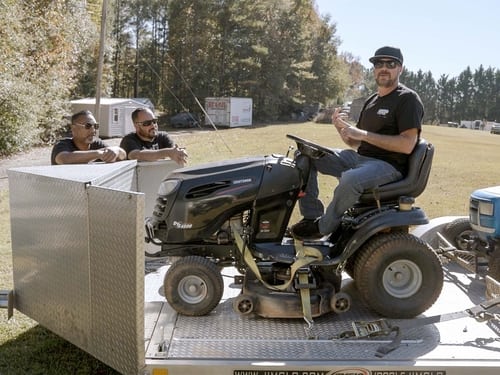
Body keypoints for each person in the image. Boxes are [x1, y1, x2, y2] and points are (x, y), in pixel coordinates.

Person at [291, 46, 424, 241]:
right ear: (374, 68)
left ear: (401, 69)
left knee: (350, 180)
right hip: (358, 158)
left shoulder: (408, 99)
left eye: (391, 64)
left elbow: (407, 145)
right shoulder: (372, 100)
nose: (384, 68)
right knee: (305, 154)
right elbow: (355, 142)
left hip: (388, 166)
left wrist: (363, 133)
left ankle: (323, 227)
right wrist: (340, 127)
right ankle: (311, 216)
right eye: (379, 64)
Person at [51, 110, 126, 165]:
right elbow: (64, 159)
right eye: (88, 126)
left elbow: (123, 155)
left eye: (95, 126)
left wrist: (116, 150)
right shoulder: (62, 144)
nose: (93, 130)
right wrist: (97, 153)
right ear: (73, 128)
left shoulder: (97, 143)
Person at [119, 107, 188, 166]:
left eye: (154, 121)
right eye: (147, 123)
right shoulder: (128, 140)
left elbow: (174, 152)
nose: (153, 126)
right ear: (136, 126)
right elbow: (136, 155)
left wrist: (179, 153)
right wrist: (168, 152)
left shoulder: (163, 137)